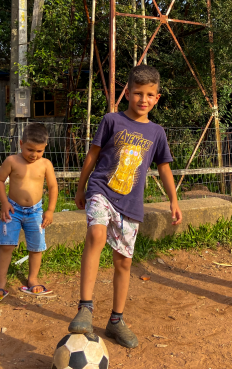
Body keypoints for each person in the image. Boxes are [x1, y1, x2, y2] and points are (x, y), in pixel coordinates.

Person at [68, 65, 183, 347]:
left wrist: (174, 200)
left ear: (157, 98)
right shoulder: (111, 121)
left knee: (124, 262)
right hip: (101, 189)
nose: (143, 100)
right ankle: (85, 307)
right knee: (95, 234)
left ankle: (116, 321)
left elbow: (165, 168)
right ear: (127, 94)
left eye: (149, 95)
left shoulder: (157, 132)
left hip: (130, 203)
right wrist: (81, 187)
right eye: (137, 93)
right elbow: (92, 155)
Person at [0, 123, 58, 302]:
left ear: (45, 148)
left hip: (36, 213)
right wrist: (3, 202)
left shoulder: (46, 164)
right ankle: (0, 283)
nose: (34, 155)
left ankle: (33, 279)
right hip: (12, 211)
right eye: (30, 149)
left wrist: (50, 210)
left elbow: (53, 186)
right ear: (21, 143)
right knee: (7, 245)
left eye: (39, 151)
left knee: (36, 247)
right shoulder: (12, 161)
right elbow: (0, 180)